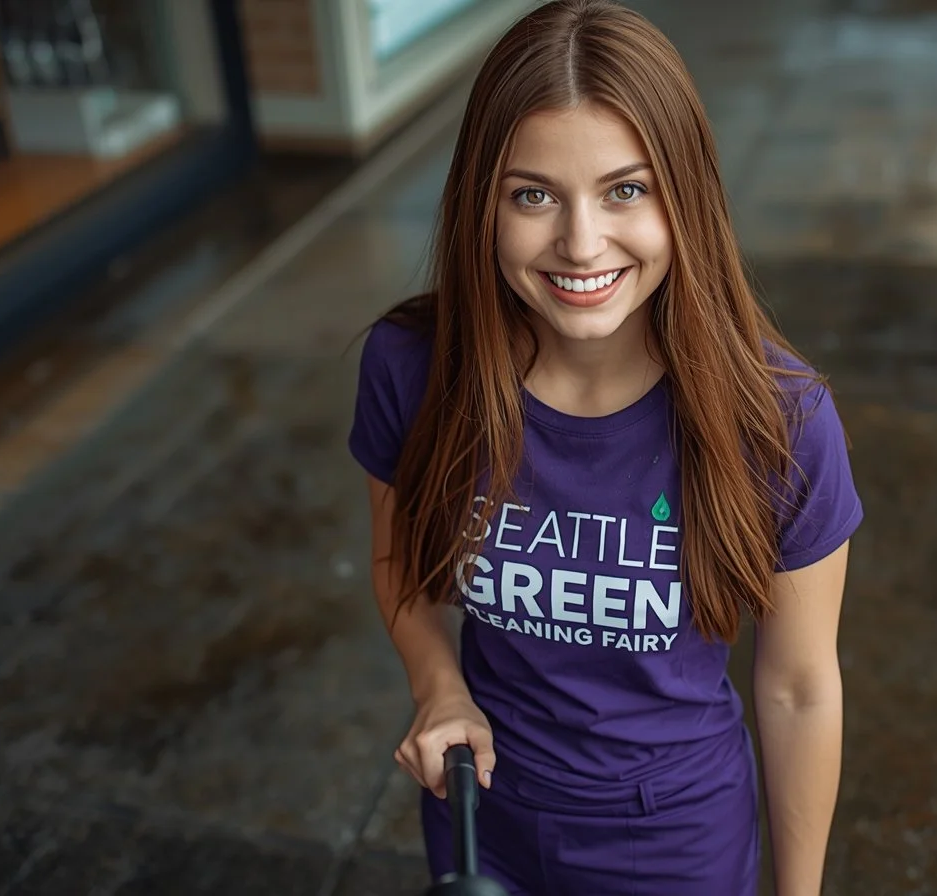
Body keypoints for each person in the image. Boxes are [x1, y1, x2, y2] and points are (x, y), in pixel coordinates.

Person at [348, 1, 861, 893]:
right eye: (533, 195)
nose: (580, 244)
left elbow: (799, 689)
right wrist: (438, 683)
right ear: (483, 201)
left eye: (626, 189)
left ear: (684, 197)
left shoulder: (777, 420)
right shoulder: (413, 370)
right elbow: (400, 560)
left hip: (675, 840)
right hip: (483, 817)